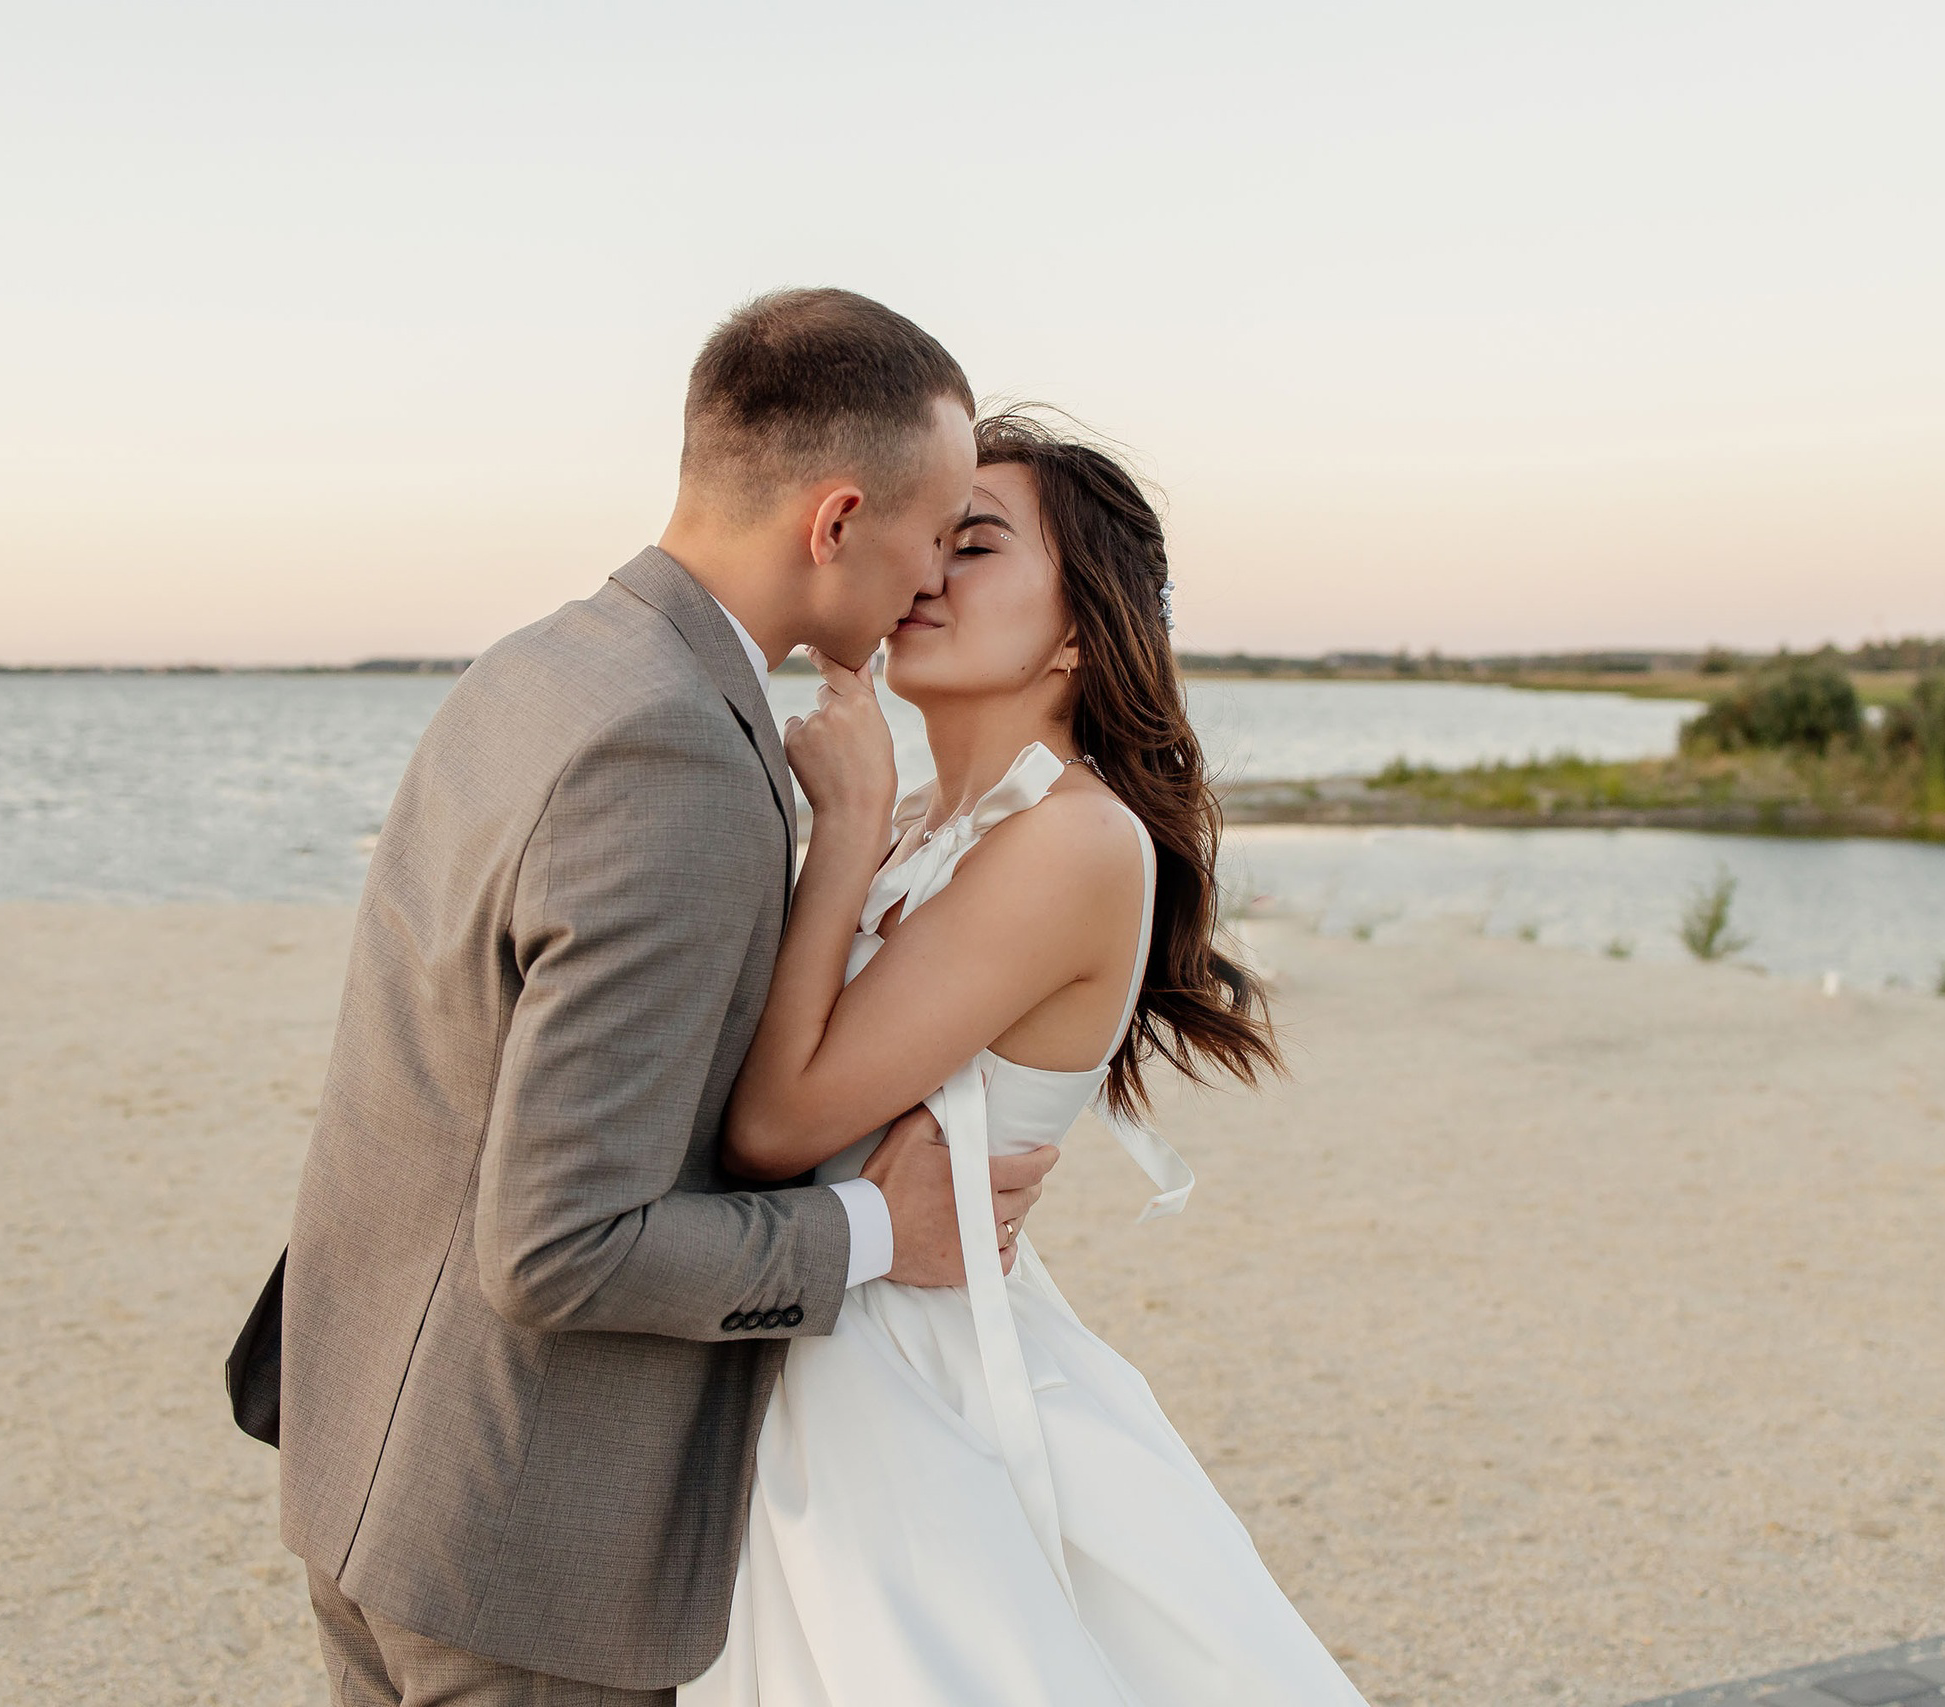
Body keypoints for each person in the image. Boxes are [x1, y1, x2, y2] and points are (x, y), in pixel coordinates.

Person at [278, 289, 1064, 1706]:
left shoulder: (540, 664)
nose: (930, 576)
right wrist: (881, 1229)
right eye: (936, 529)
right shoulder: (678, 754)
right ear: (837, 521)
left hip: (367, 1481)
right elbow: (560, 1246)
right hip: (519, 1554)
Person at [679, 411, 1368, 1704]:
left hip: (910, 1380)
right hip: (811, 1334)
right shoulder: (923, 822)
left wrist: (844, 829)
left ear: (1078, 630)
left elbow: (775, 1125)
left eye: (976, 543)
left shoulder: (1077, 839)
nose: (925, 570)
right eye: (928, 536)